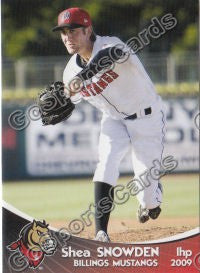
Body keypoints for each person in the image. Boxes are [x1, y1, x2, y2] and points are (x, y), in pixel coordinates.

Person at [52, 7, 166, 242]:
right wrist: (60, 102)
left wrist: (82, 79)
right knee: (106, 162)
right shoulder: (69, 71)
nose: (67, 37)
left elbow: (109, 57)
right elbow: (69, 101)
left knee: (148, 200)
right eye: (63, 32)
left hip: (146, 118)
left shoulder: (110, 45)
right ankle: (101, 232)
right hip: (113, 120)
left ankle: (152, 197)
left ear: (88, 30)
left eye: (73, 30)